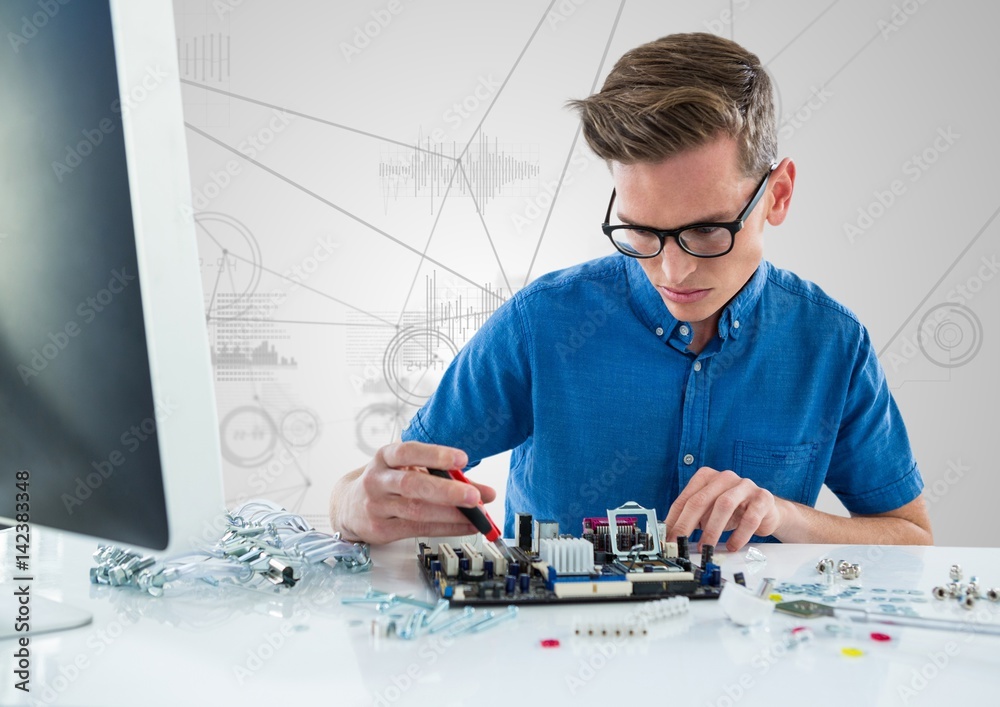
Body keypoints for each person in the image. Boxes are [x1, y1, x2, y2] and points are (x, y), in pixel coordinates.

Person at [330, 32, 932, 551]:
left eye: (705, 229)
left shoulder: (832, 343)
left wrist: (785, 515)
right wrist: (352, 506)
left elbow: (910, 536)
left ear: (778, 195)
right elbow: (388, 484)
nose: (671, 271)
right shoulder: (542, 324)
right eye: (641, 231)